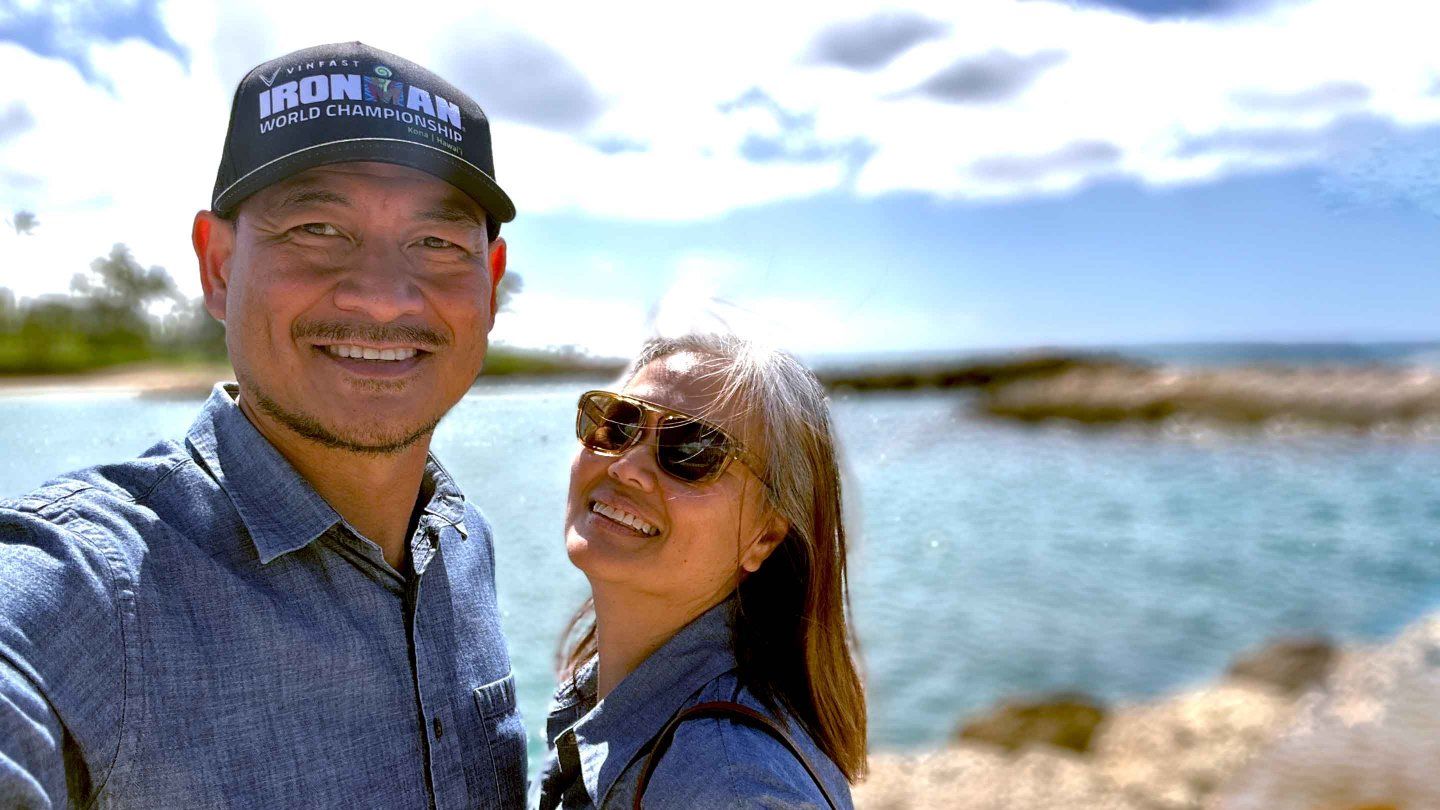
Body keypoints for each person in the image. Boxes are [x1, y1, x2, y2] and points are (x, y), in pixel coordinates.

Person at [0, 42, 526, 807]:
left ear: (491, 283)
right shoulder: (96, 590)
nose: (383, 298)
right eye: (317, 228)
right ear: (218, 267)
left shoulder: (462, 541)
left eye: (437, 243)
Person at [532, 333, 868, 809]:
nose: (627, 466)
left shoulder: (728, 784)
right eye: (619, 423)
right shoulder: (619, 710)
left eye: (692, 450)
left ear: (765, 537)